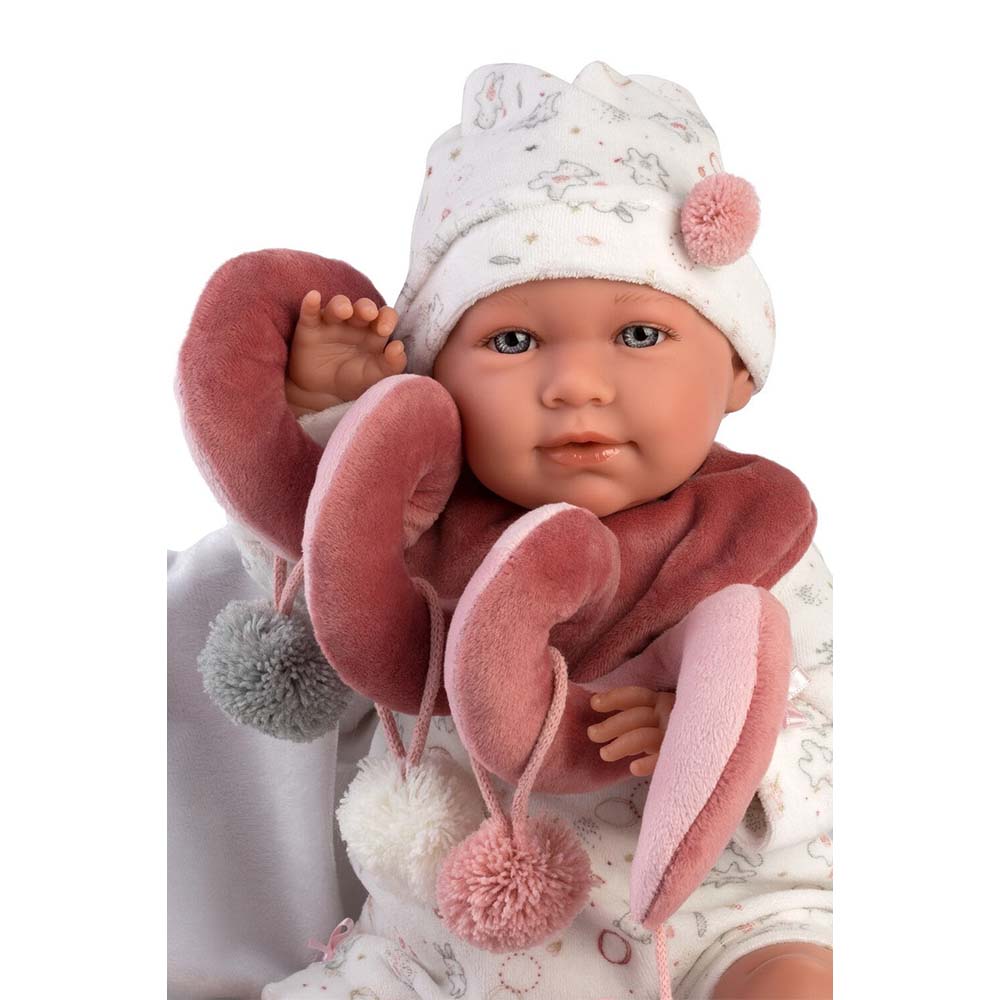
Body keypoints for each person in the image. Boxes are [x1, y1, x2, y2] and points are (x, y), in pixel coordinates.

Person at [181, 62, 832, 998]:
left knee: (795, 976)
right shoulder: (423, 531)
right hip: (442, 947)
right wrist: (330, 425)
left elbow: (841, 729)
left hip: (709, 929)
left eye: (639, 336)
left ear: (737, 370)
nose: (575, 385)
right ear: (435, 378)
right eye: (513, 342)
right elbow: (311, 587)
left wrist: (723, 736)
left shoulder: (757, 543)